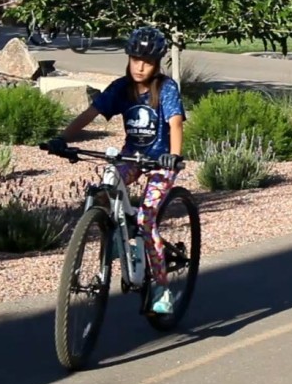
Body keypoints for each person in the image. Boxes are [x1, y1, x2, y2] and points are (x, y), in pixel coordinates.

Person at [45, 27, 186, 315]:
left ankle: (160, 288)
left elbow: (175, 124)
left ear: (157, 63)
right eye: (135, 59)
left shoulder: (167, 89)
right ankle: (112, 236)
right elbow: (90, 113)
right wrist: (63, 138)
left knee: (146, 220)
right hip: (132, 156)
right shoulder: (121, 88)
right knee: (107, 184)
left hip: (160, 162)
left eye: (146, 61)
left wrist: (173, 156)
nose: (140, 66)